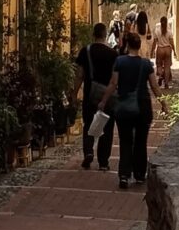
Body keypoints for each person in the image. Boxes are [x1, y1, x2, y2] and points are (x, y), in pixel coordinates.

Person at [98, 31, 162, 189]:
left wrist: (104, 101)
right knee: (141, 141)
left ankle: (124, 175)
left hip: (124, 106)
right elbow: (154, 86)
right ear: (139, 46)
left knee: (125, 141)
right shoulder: (146, 64)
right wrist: (164, 104)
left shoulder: (120, 61)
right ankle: (140, 174)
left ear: (127, 45)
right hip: (143, 106)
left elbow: (113, 84)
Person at [73, 23, 118, 171]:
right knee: (107, 126)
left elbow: (79, 75)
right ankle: (103, 162)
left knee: (89, 124)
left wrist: (74, 92)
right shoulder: (112, 54)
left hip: (90, 94)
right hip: (107, 95)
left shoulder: (85, 51)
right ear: (105, 35)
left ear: (94, 34)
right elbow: (114, 79)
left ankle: (88, 152)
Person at [152, 16, 173, 89]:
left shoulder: (157, 31)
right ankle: (166, 84)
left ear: (160, 22)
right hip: (167, 49)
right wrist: (174, 50)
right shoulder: (169, 31)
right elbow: (171, 42)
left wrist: (152, 50)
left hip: (160, 49)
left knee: (159, 65)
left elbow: (154, 42)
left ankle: (160, 76)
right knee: (167, 67)